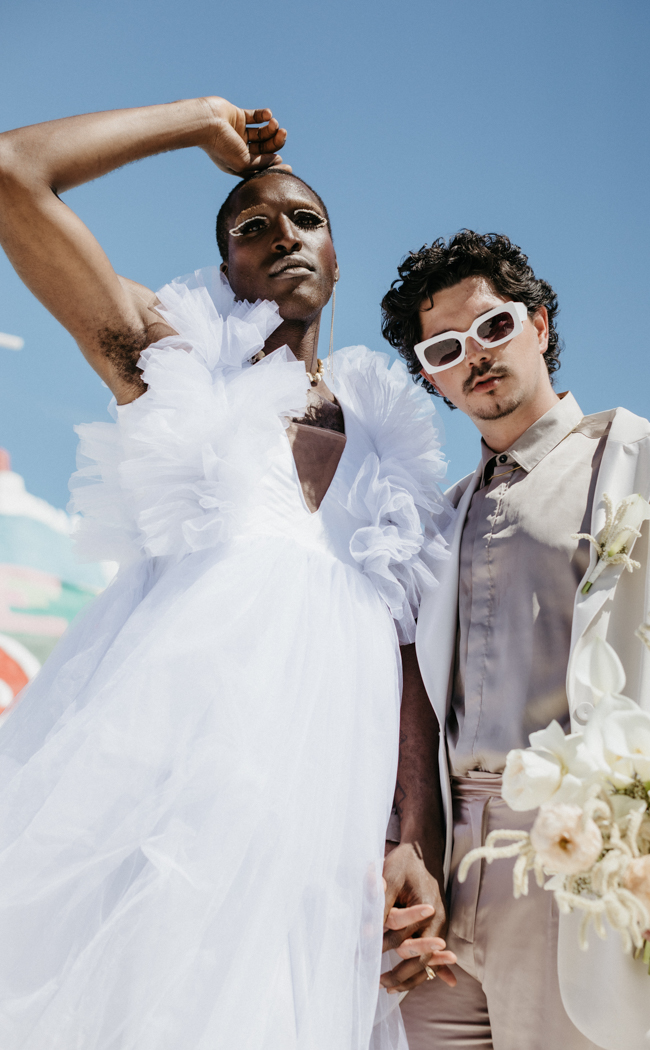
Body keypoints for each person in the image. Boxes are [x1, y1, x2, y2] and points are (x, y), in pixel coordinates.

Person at [0, 97, 455, 1050]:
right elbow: (12, 175)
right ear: (226, 268)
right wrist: (195, 121)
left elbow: (405, 652)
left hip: (322, 827)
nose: (281, 235)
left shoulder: (395, 442)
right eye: (251, 227)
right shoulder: (174, 369)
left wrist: (415, 839)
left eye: (304, 220)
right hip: (164, 795)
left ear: (335, 257)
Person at [378, 230, 650, 1050]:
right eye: (446, 348)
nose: (476, 356)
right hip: (450, 875)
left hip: (582, 852)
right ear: (431, 379)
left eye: (494, 326)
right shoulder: (439, 519)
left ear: (540, 324)